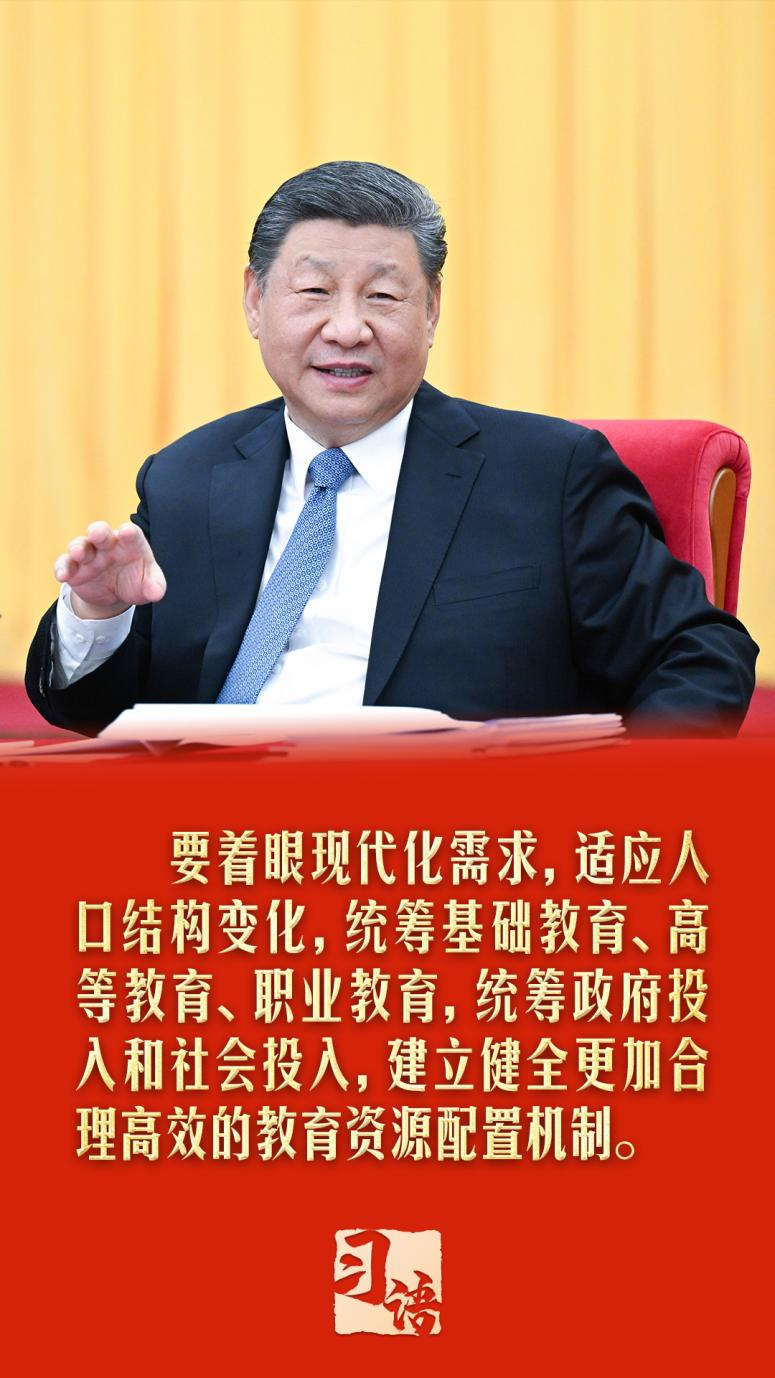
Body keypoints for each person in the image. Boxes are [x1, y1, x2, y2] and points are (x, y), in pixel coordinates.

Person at [26, 161, 757, 735]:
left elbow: (699, 657)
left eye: (382, 297)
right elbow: (91, 713)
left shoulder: (548, 474)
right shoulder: (188, 476)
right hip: (222, 841)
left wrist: (619, 804)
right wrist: (99, 615)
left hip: (428, 840)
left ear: (431, 309)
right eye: (313, 292)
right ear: (254, 301)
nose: (347, 329)